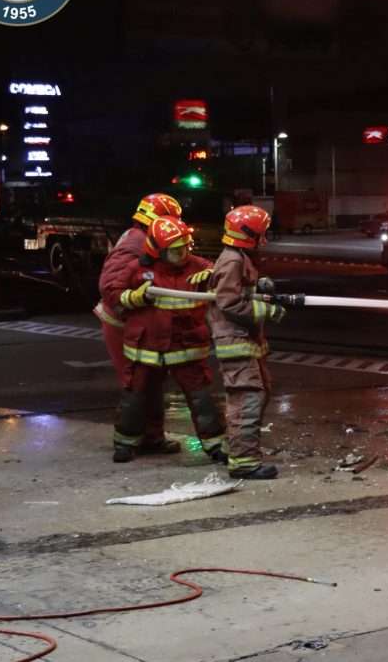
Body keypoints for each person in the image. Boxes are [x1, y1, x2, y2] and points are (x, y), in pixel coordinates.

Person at [110, 217, 227, 463]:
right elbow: (114, 295)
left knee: (201, 397)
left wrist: (212, 276)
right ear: (157, 250)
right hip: (147, 346)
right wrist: (135, 297)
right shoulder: (137, 269)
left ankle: (216, 444)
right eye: (175, 250)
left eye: (185, 247)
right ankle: (125, 442)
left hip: (186, 345)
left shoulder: (200, 267)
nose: (182, 254)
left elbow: (224, 284)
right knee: (136, 395)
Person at [93, 193, 183, 454]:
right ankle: (130, 442)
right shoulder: (135, 243)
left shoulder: (140, 238)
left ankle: (152, 437)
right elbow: (110, 286)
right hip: (124, 326)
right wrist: (136, 299)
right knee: (137, 384)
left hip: (138, 325)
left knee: (152, 381)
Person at [208, 205, 288, 480]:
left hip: (246, 342)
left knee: (259, 392)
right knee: (247, 399)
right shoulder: (232, 260)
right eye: (261, 234)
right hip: (236, 342)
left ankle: (237, 448)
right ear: (248, 234)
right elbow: (229, 302)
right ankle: (243, 462)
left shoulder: (239, 257)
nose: (264, 239)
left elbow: (239, 290)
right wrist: (268, 311)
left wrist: (260, 285)